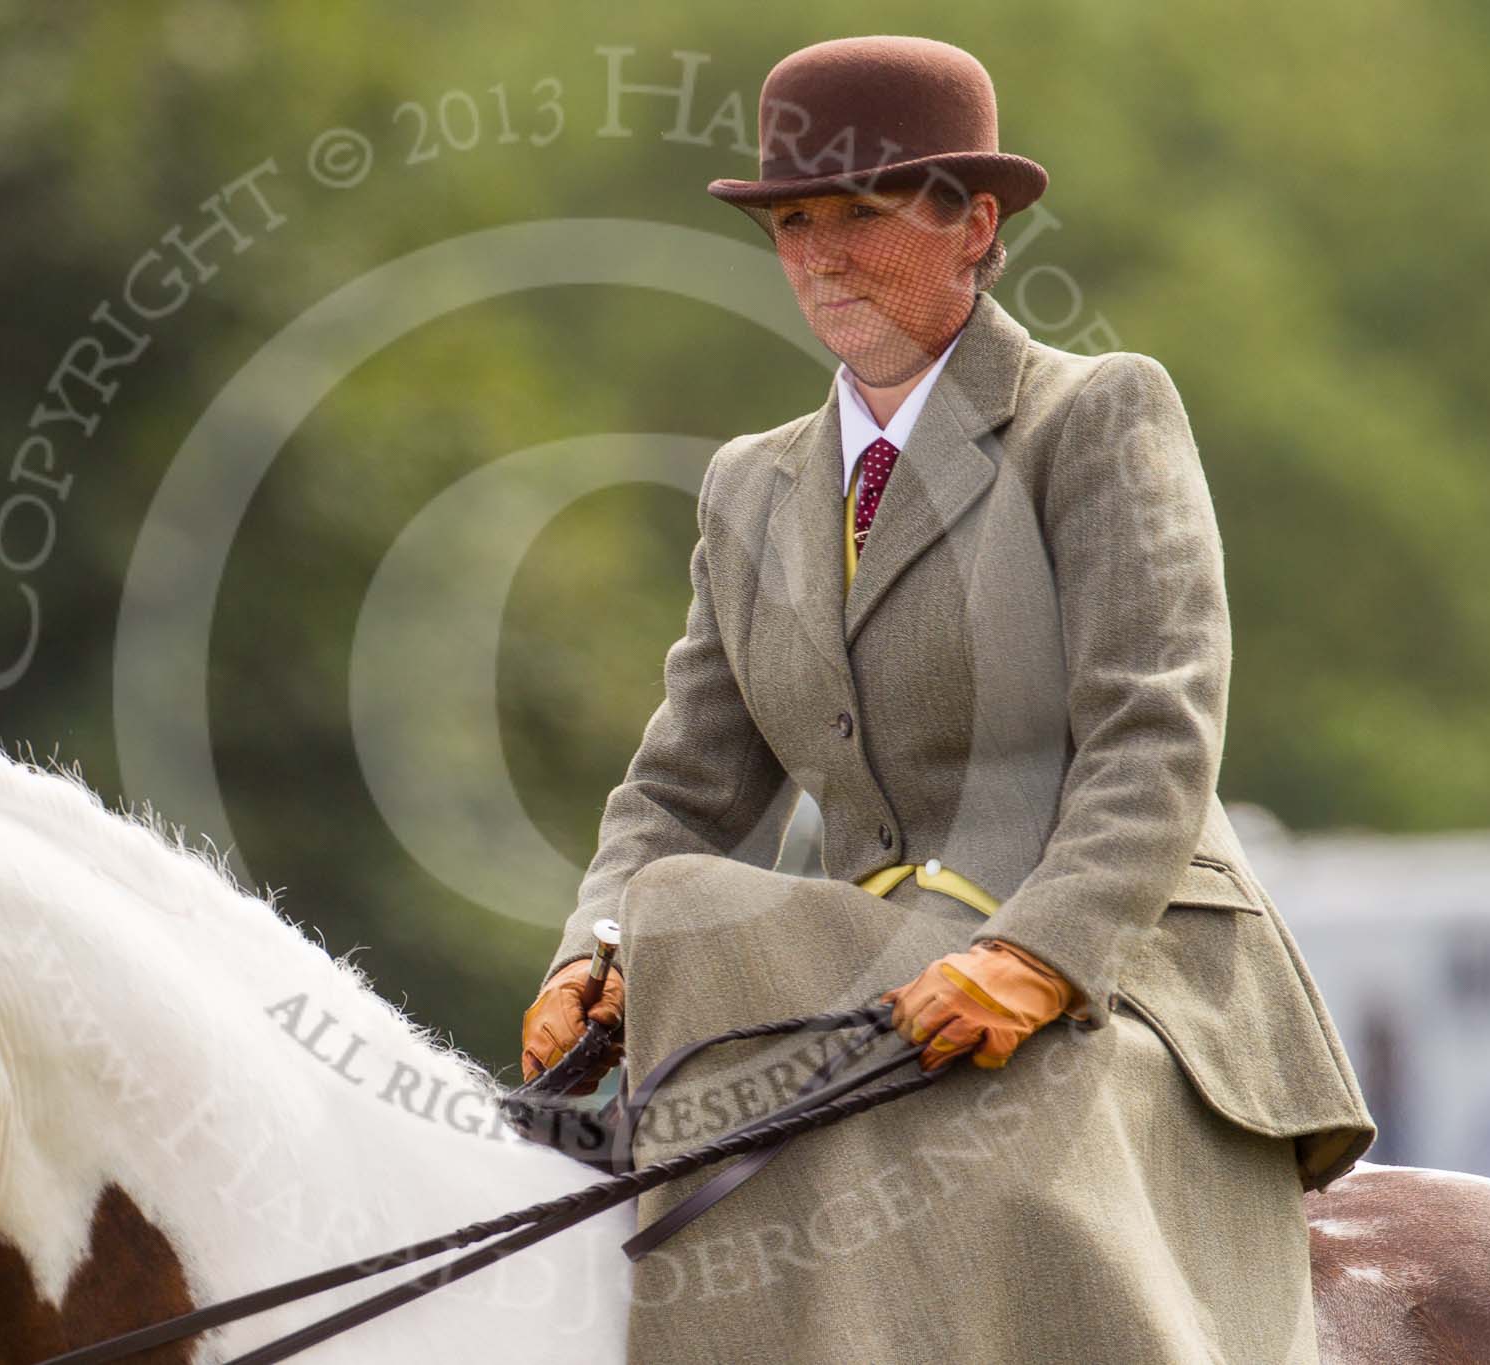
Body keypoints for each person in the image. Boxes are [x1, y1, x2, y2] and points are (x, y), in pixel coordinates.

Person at [520, 34, 1374, 1364]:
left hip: (1120, 968)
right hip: (872, 986)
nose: (821, 257)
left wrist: (1037, 952)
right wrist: (595, 945)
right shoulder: (751, 487)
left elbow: (1156, 732)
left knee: (717, 933)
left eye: (861, 213)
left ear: (973, 225)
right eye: (794, 223)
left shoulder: (1093, 416)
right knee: (671, 912)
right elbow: (683, 787)